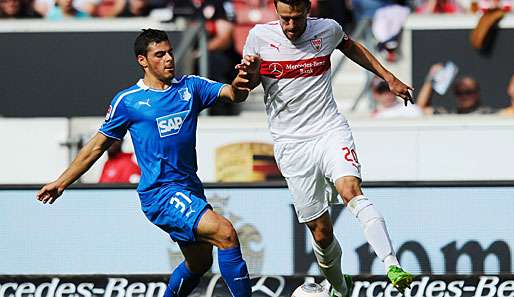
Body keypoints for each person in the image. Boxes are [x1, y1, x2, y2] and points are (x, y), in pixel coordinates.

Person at [37, 29, 252, 297]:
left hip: (189, 188)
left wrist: (243, 81)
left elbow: (234, 95)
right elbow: (96, 146)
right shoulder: (128, 101)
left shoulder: (190, 87)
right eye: (159, 55)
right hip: (160, 192)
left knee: (199, 263)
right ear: (143, 61)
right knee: (226, 233)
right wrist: (61, 182)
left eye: (170, 52)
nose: (169, 59)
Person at [236, 0, 414, 295]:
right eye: (285, 19)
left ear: (308, 8)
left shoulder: (327, 29)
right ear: (275, 11)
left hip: (329, 130)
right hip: (291, 144)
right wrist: (248, 74)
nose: (291, 26)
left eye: (296, 18)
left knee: (351, 190)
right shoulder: (258, 37)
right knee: (321, 232)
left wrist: (389, 77)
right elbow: (244, 89)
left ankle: (391, 263)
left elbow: (352, 47)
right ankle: (340, 288)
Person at [417, 63, 496, 114]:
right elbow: (420, 110)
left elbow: (507, 113)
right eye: (459, 93)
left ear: (477, 93)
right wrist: (431, 79)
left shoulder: (489, 114)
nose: (464, 96)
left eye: (468, 92)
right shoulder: (450, 115)